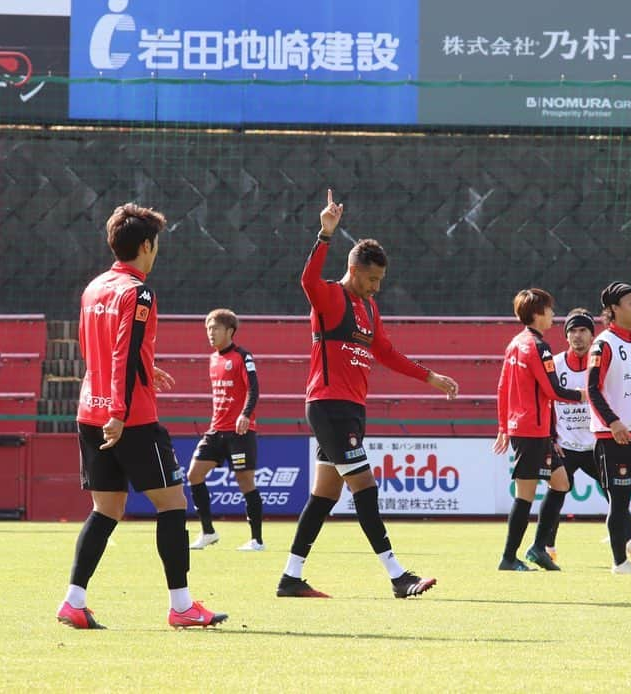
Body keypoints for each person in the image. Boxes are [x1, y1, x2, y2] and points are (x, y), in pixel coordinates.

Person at [276, 189, 459, 599]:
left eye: (380, 281)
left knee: (325, 495)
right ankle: (397, 575)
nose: (376, 287)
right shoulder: (329, 296)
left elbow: (387, 354)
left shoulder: (370, 310)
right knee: (365, 487)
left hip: (351, 408)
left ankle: (290, 576)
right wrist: (325, 234)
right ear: (354, 269)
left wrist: (430, 377)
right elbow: (306, 279)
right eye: (372, 279)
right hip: (329, 406)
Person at [57, 203, 227, 630]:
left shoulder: (94, 288)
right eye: (156, 245)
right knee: (172, 502)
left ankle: (73, 601)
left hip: (89, 411)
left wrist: (144, 370)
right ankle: (183, 606)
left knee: (107, 508)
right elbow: (124, 350)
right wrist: (120, 410)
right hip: (129, 417)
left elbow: (94, 348)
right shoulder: (139, 292)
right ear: (147, 245)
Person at [493, 289, 586, 572]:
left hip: (532, 430)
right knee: (525, 494)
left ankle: (537, 548)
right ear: (537, 313)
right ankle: (509, 557)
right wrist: (583, 395)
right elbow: (552, 390)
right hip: (531, 430)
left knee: (560, 483)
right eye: (549, 310)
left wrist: (502, 426)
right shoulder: (539, 346)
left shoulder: (515, 343)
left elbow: (502, 388)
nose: (553, 315)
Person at [522, 308, 600, 568]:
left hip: (596, 444)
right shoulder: (553, 363)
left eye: (583, 331)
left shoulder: (601, 362)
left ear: (592, 335)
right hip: (564, 444)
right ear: (566, 336)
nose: (577, 336)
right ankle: (544, 546)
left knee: (618, 493)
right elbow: (545, 400)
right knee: (556, 492)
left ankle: (627, 549)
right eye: (572, 331)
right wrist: (551, 437)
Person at [588, 282, 631, 575]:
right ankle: (619, 563)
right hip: (612, 435)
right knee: (620, 501)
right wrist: (612, 421)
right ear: (614, 309)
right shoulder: (603, 344)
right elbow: (592, 388)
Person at [187, 309, 265, 552]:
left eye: (215, 329)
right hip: (216, 430)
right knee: (193, 475)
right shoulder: (212, 359)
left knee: (245, 481)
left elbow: (253, 389)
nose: (211, 333)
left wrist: (245, 414)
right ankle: (208, 531)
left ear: (230, 331)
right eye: (208, 329)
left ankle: (256, 540)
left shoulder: (243, 357)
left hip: (239, 432)